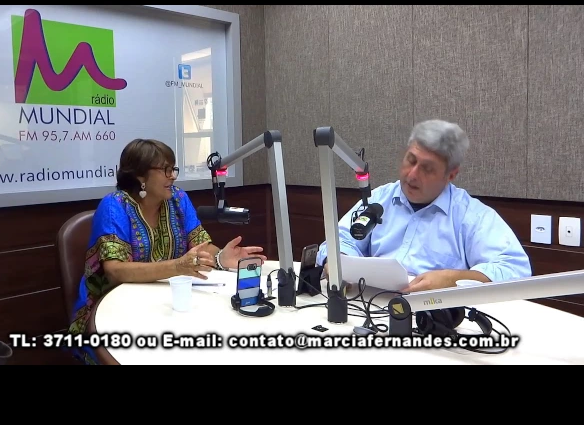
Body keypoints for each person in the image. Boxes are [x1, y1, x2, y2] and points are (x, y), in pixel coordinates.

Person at [68, 138, 267, 365]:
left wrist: (221, 257)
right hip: (115, 311)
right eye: (165, 170)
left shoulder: (178, 199)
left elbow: (200, 245)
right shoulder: (115, 206)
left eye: (173, 169)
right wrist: (177, 266)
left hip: (167, 303)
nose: (173, 176)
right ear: (140, 176)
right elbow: (115, 271)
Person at [316, 119, 531, 293]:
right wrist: (340, 262)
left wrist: (453, 279)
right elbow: (338, 241)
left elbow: (515, 270)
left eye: (427, 169)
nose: (412, 175)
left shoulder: (471, 216)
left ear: (451, 175)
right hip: (367, 307)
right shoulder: (379, 199)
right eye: (411, 160)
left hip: (433, 319)